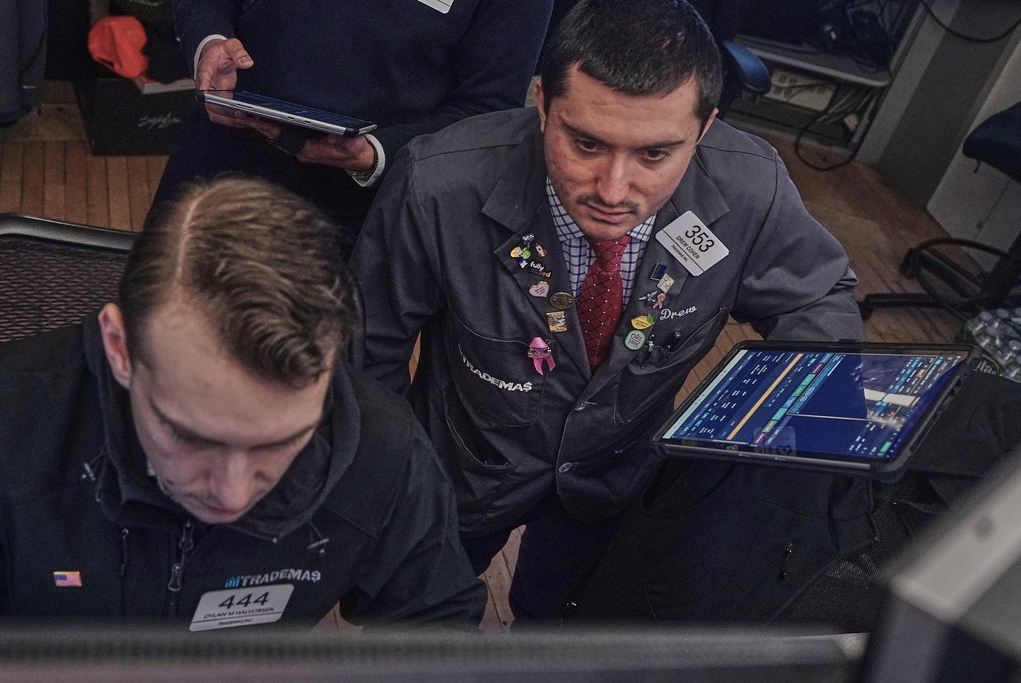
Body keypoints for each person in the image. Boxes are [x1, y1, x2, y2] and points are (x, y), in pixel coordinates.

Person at [350, 0, 874, 623]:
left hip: (618, 477)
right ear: (542, 103)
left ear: (705, 128)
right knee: (398, 627)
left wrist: (769, 432)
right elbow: (366, 350)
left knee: (566, 633)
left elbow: (816, 299)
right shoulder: (439, 182)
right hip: (461, 469)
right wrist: (396, 487)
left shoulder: (749, 186)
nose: (613, 189)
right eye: (587, 143)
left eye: (655, 154)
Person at [0, 176, 486, 628]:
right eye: (189, 436)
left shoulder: (382, 450)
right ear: (120, 347)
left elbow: (439, 622)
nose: (231, 495)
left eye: (284, 441)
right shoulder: (10, 426)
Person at [154, 0, 553, 243]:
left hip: (357, 212)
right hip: (218, 155)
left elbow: (486, 107)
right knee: (151, 337)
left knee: (308, 372)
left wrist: (378, 153)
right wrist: (208, 42)